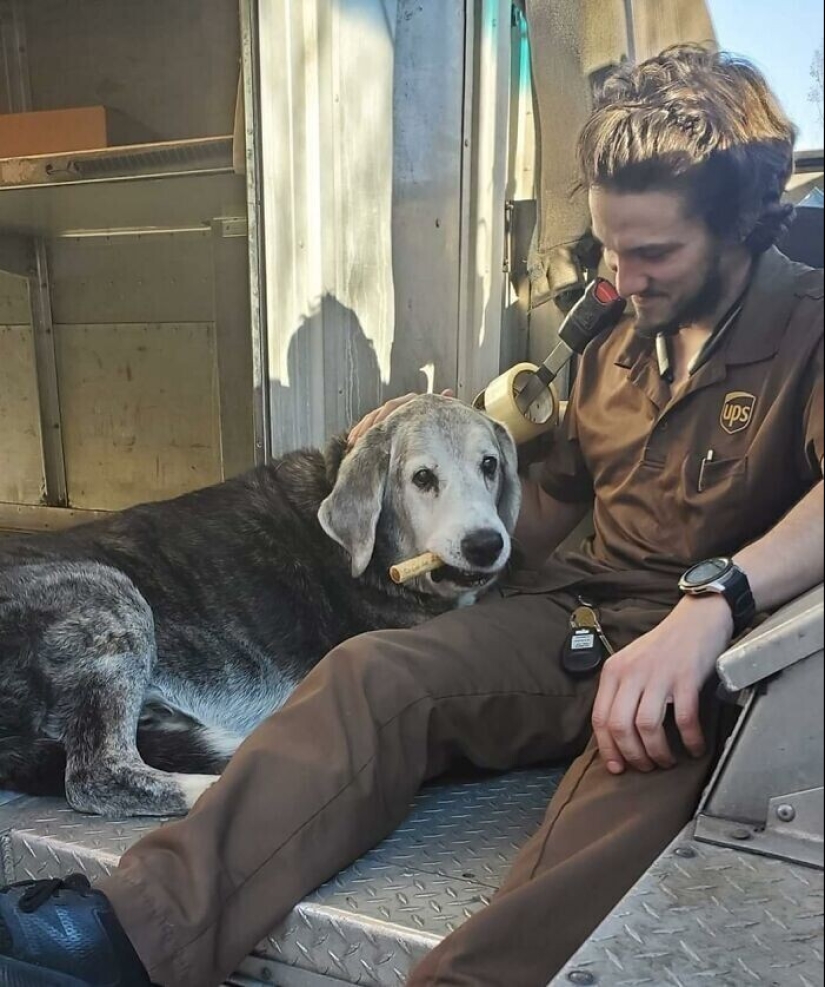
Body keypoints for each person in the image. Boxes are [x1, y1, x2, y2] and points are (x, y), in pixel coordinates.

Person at [1, 44, 822, 987]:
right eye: (608, 248)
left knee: (614, 812)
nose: (623, 279)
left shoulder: (808, 327)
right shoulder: (616, 340)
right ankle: (133, 934)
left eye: (654, 254)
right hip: (583, 612)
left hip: (723, 647)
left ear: (742, 225)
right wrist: (432, 467)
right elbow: (548, 501)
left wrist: (716, 601)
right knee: (371, 670)